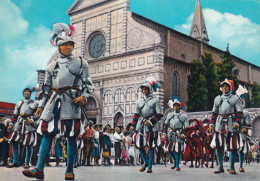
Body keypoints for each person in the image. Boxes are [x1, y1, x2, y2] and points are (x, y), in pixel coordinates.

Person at [22, 23, 94, 180]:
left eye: (70, 45)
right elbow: (46, 89)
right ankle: (39, 169)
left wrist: (84, 97)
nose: (68, 48)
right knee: (48, 133)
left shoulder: (81, 63)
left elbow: (89, 85)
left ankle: (69, 170)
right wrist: (41, 106)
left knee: (71, 136)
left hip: (71, 101)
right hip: (54, 102)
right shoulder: (51, 66)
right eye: (65, 45)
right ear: (59, 47)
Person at [209, 79, 243, 174]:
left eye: (227, 86)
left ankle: (232, 167)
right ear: (221, 88)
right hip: (220, 123)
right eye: (223, 86)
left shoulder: (235, 99)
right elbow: (214, 113)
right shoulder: (217, 99)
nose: (225, 88)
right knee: (218, 145)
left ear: (230, 87)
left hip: (231, 122)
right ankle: (220, 166)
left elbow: (239, 112)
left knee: (233, 146)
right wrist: (211, 124)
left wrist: (237, 122)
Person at [130, 77, 163, 173]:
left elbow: (159, 114)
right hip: (141, 124)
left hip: (152, 126)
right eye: (143, 89)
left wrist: (152, 121)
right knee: (139, 144)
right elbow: (136, 114)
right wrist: (133, 124)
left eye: (146, 89)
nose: (144, 90)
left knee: (151, 145)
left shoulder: (156, 100)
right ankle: (145, 161)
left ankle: (149, 166)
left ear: (150, 89)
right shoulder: (139, 101)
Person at [8, 87, 38, 169]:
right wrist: (11, 123)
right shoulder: (19, 103)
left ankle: (27, 162)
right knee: (14, 141)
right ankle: (15, 162)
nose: (27, 93)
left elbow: (37, 115)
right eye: (25, 91)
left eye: (28, 91)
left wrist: (31, 120)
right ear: (23, 93)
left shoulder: (34, 103)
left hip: (29, 124)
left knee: (28, 143)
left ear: (30, 93)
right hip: (19, 123)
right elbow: (15, 115)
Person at [162, 97, 189, 171]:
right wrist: (164, 133)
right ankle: (175, 162)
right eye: (174, 106)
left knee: (177, 150)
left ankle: (177, 165)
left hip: (179, 133)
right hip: (170, 133)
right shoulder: (169, 115)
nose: (176, 107)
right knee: (169, 149)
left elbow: (186, 127)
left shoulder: (184, 116)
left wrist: (183, 134)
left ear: (179, 106)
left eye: (177, 106)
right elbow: (165, 125)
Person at [236, 85, 252, 172]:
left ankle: (241, 165)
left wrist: (245, 128)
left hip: (241, 133)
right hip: (233, 131)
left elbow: (248, 125)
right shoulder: (232, 111)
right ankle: (230, 166)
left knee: (241, 149)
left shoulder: (245, 113)